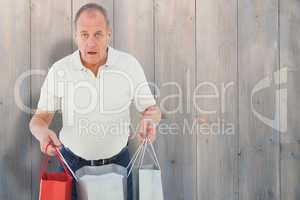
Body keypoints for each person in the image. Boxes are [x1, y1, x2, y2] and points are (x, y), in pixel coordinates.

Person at [29, 3, 161, 200]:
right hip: (71, 167)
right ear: (76, 36)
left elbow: (152, 110)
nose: (91, 42)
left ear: (109, 34)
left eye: (98, 34)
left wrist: (150, 120)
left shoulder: (128, 65)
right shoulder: (59, 70)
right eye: (84, 34)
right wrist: (42, 133)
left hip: (119, 165)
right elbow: (39, 119)